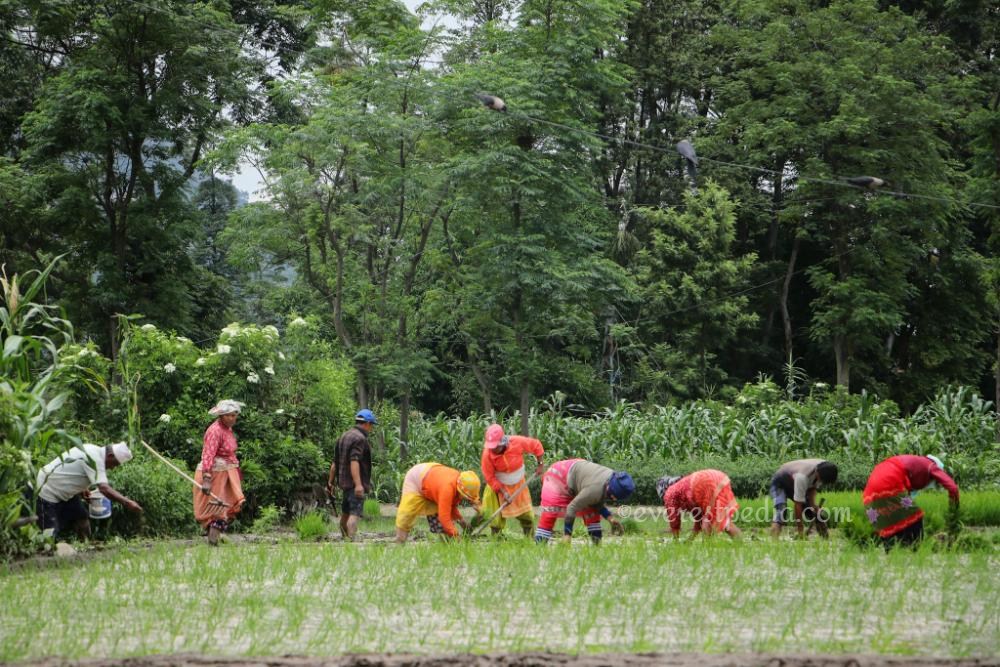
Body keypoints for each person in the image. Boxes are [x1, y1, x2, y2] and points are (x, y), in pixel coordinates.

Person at [35, 442, 142, 540]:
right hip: (46, 489)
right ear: (110, 456)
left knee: (82, 518)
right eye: (114, 464)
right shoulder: (95, 458)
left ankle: (86, 547)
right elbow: (104, 488)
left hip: (63, 492)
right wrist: (127, 502)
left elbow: (74, 469)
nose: (113, 468)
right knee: (49, 535)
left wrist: (82, 488)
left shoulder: (92, 449)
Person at [863, 454, 959, 547]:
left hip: (870, 491)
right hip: (890, 480)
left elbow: (907, 497)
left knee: (890, 525)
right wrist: (954, 510)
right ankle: (915, 550)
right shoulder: (931, 465)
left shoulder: (915, 464)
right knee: (915, 518)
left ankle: (892, 555)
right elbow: (953, 488)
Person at [535, 458, 634, 544]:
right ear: (610, 489)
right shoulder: (595, 489)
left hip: (577, 474)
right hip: (558, 475)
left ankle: (597, 548)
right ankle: (539, 548)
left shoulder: (612, 478)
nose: (613, 499)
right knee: (550, 513)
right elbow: (572, 508)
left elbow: (596, 502)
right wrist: (567, 534)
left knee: (592, 512)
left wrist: (610, 519)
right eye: (613, 497)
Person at [195, 399, 246, 545]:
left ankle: (215, 540)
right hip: (214, 474)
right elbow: (208, 455)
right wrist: (206, 478)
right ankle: (212, 543)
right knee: (217, 510)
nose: (232, 418)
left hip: (227, 474)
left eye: (234, 415)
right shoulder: (215, 431)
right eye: (228, 415)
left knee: (225, 509)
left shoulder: (227, 429)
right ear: (221, 416)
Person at [480, 424, 545, 537]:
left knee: (526, 515)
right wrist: (503, 492)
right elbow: (489, 477)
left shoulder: (516, 442)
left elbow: (536, 445)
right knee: (495, 518)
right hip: (497, 486)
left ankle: (529, 537)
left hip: (517, 483)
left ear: (502, 442)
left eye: (496, 446)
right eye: (491, 446)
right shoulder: (487, 454)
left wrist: (540, 465)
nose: (493, 449)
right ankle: (497, 539)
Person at [394, 463, 481, 543]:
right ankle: (400, 542)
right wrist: (457, 537)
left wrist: (463, 522)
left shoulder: (461, 482)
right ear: (460, 490)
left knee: (442, 523)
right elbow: (444, 517)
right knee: (406, 515)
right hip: (416, 479)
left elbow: (451, 506)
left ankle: (446, 545)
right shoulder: (447, 489)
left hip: (432, 482)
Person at [327, 409, 376, 541]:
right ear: (367, 424)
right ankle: (351, 542)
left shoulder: (343, 436)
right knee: (354, 515)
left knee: (345, 514)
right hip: (354, 485)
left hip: (344, 484)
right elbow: (354, 461)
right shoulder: (360, 439)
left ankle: (344, 541)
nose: (371, 429)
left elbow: (334, 463)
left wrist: (330, 483)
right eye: (372, 425)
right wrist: (359, 485)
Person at [657, 469, 741, 539]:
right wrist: (690, 539)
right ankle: (740, 543)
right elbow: (699, 520)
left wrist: (676, 540)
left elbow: (674, 519)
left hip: (703, 481)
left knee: (708, 518)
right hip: (720, 477)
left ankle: (707, 549)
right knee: (723, 520)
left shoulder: (669, 492)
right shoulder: (682, 489)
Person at [769, 458, 838, 538]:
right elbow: (798, 505)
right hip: (780, 482)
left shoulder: (826, 469)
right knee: (781, 511)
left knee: (815, 514)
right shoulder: (802, 477)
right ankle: (773, 542)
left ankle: (826, 540)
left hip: (795, 479)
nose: (821, 482)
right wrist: (800, 530)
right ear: (817, 473)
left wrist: (813, 505)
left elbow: (813, 487)